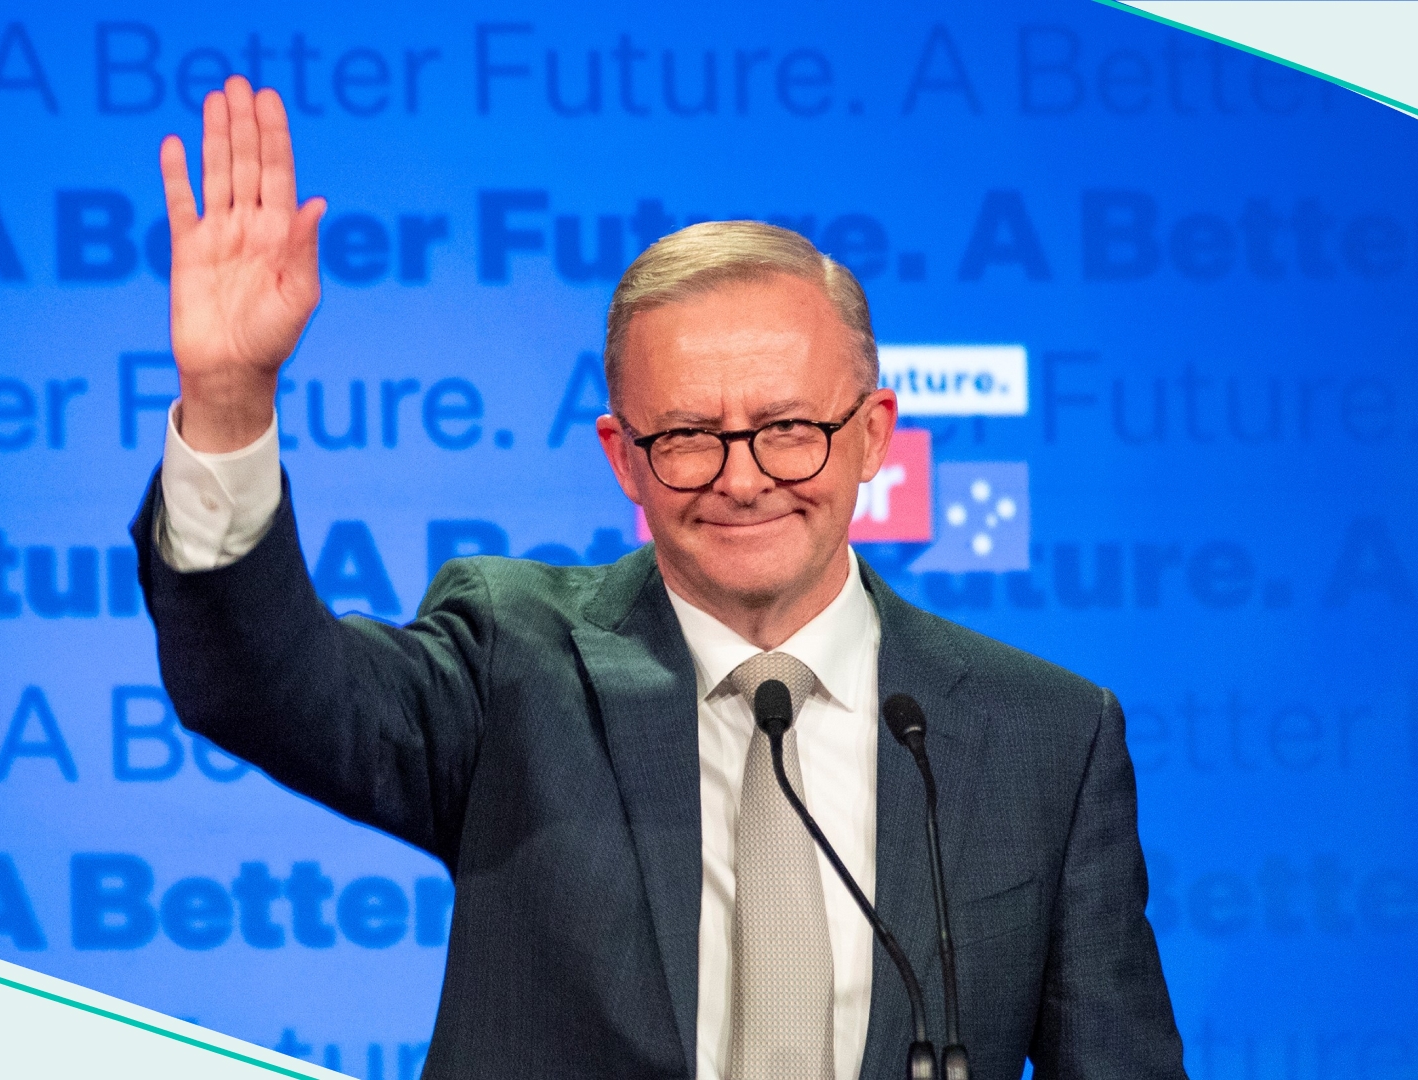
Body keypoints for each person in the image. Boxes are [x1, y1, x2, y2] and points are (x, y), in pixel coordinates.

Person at [134, 75, 1186, 1080]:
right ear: (621, 455)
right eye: (686, 436)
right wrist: (229, 404)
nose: (742, 480)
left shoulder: (1047, 735)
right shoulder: (515, 663)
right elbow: (269, 689)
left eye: (788, 431)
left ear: (874, 436)